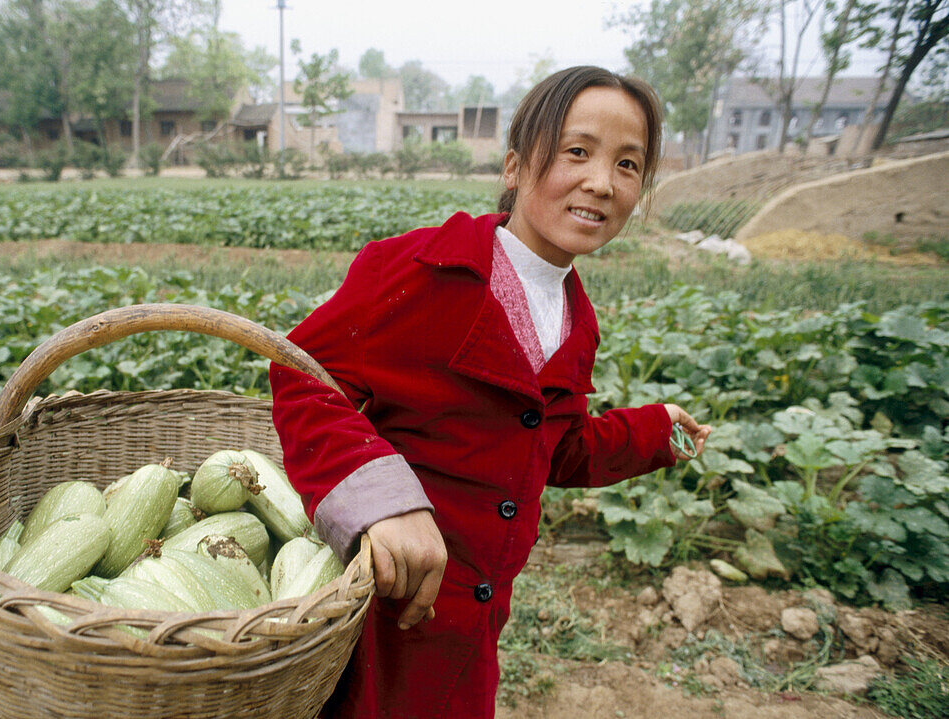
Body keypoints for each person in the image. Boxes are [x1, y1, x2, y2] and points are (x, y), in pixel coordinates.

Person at [268, 65, 712, 719]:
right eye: (577, 152)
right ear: (513, 167)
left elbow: (551, 448)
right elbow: (301, 375)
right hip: (387, 607)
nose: (600, 181)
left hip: (475, 622)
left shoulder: (575, 319)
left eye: (627, 164)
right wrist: (384, 503)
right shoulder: (418, 271)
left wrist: (652, 430)